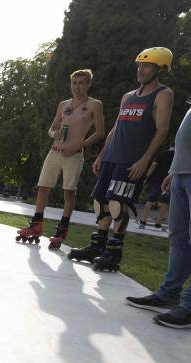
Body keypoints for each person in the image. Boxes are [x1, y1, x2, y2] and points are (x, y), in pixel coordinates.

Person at [68, 47, 174, 270]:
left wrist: (145, 161)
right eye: (139, 65)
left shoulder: (163, 94)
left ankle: (113, 253)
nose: (141, 70)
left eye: (146, 66)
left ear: (160, 69)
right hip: (112, 157)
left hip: (131, 161)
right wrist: (102, 155)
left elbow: (162, 131)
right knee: (101, 203)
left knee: (118, 205)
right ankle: (97, 247)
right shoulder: (128, 96)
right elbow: (116, 128)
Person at [16, 69, 104, 249]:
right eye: (74, 83)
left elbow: (100, 132)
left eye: (81, 83)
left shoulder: (95, 104)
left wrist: (80, 145)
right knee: (42, 188)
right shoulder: (64, 104)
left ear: (88, 84)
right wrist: (54, 133)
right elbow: (52, 128)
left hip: (74, 155)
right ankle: (36, 225)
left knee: (68, 192)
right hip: (55, 151)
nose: (77, 86)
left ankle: (61, 231)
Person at [125, 105, 191, 328]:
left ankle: (189, 306)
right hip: (182, 173)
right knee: (179, 237)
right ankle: (168, 294)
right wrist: (174, 171)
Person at [138, 142, 174, 230]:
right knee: (165, 201)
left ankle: (143, 220)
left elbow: (153, 165)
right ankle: (158, 222)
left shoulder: (162, 154)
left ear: (170, 146)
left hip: (157, 179)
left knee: (151, 199)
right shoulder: (178, 156)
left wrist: (146, 176)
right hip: (169, 180)